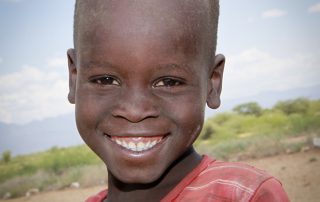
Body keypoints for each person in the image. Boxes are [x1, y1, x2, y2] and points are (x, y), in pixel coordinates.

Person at [67, 0, 290, 201]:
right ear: (74, 78)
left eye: (169, 82)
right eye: (106, 80)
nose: (135, 111)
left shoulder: (243, 196)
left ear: (212, 83)